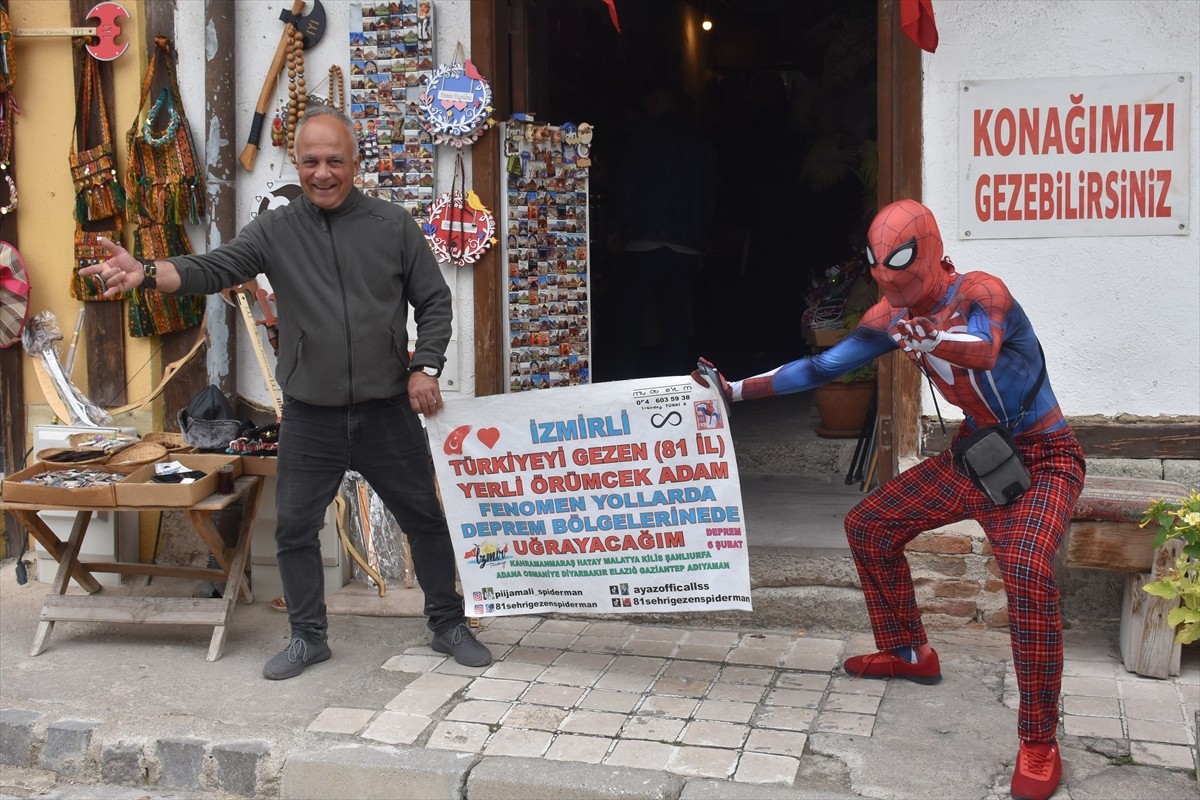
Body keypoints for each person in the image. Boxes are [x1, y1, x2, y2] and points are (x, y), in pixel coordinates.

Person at [81, 105, 492, 680]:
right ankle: (307, 637)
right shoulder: (276, 229)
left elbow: (434, 302)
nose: (322, 173)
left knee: (424, 517)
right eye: (310, 162)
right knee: (297, 528)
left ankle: (448, 624)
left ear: (355, 163)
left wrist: (425, 366)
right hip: (311, 414)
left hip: (385, 410)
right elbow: (214, 269)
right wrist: (147, 271)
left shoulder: (392, 226)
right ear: (295, 163)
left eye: (334, 161)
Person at [694, 200, 1084, 800]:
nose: (895, 287)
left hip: (1043, 457)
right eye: (884, 274)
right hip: (975, 455)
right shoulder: (891, 314)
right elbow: (824, 366)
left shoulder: (983, 292)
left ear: (929, 255)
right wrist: (736, 391)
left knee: (1027, 571)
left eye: (904, 273)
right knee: (870, 525)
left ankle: (1038, 741)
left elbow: (981, 347)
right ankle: (907, 650)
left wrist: (930, 337)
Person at [606, 81, 718, 379]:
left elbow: (628, 182)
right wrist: (701, 240)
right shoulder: (699, 140)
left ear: (654, 100)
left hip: (644, 239)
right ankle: (677, 384)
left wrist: (615, 225)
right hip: (686, 245)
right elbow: (710, 195)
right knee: (676, 322)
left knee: (628, 318)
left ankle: (624, 383)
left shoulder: (645, 133)